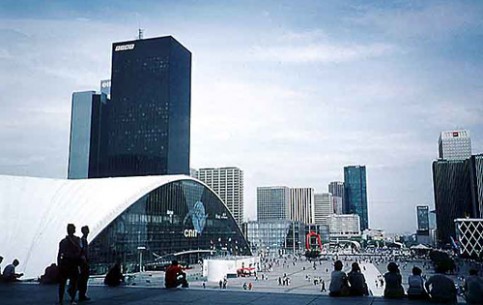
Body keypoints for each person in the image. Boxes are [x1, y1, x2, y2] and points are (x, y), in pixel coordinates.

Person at [58, 223, 82, 305]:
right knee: (72, 281)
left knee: (64, 282)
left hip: (67, 262)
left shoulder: (64, 241)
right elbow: (79, 250)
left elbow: (60, 254)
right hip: (71, 262)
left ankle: (62, 300)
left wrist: (59, 264)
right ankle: (71, 299)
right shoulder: (76, 240)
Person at [78, 226, 90, 301]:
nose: (87, 232)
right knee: (84, 278)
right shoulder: (82, 240)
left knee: (84, 278)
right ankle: (82, 294)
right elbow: (82, 251)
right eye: (86, 231)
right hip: (83, 263)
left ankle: (82, 294)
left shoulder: (84, 240)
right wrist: (84, 259)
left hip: (85, 262)